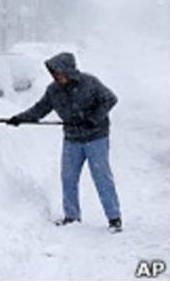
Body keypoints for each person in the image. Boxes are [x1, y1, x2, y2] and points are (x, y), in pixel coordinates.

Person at [8, 52, 123, 233]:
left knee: (101, 177)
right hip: (72, 139)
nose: (57, 77)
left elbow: (110, 99)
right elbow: (40, 109)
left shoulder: (89, 82)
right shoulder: (53, 90)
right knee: (68, 177)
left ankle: (114, 218)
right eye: (54, 73)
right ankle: (72, 216)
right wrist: (19, 119)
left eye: (60, 73)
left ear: (69, 71)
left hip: (96, 138)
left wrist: (93, 118)